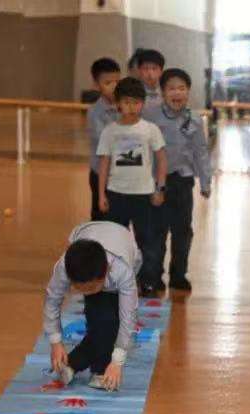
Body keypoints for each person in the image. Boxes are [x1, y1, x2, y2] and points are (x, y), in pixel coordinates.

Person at [44, 221, 142, 391]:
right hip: (86, 234)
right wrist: (55, 342)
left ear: (105, 272)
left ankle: (94, 368)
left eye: (90, 288)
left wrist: (117, 362)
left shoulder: (123, 271)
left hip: (124, 246)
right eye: (79, 288)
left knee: (112, 322)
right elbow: (52, 301)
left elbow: (129, 318)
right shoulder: (64, 267)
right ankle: (85, 366)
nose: (85, 292)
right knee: (100, 320)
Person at [97, 77, 168, 296]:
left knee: (147, 242)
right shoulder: (110, 131)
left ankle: (148, 281)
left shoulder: (150, 129)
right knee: (115, 242)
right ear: (118, 103)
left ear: (142, 104)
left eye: (136, 102)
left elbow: (162, 160)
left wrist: (160, 188)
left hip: (143, 194)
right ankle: (116, 280)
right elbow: (104, 163)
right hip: (116, 193)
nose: (131, 107)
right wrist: (101, 194)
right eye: (126, 102)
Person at [144, 68, 211, 292]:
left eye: (181, 88)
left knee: (182, 231)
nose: (177, 93)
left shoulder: (194, 119)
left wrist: (205, 182)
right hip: (157, 182)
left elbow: (201, 152)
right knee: (156, 231)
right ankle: (153, 276)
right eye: (171, 88)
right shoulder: (150, 116)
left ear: (188, 92)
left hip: (183, 181)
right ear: (163, 92)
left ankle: (178, 275)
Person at [86, 57, 121, 221]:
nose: (114, 86)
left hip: (122, 174)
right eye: (108, 83)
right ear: (96, 85)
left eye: (117, 81)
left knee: (119, 217)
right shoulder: (95, 112)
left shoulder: (127, 107)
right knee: (100, 217)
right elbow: (105, 141)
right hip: (101, 174)